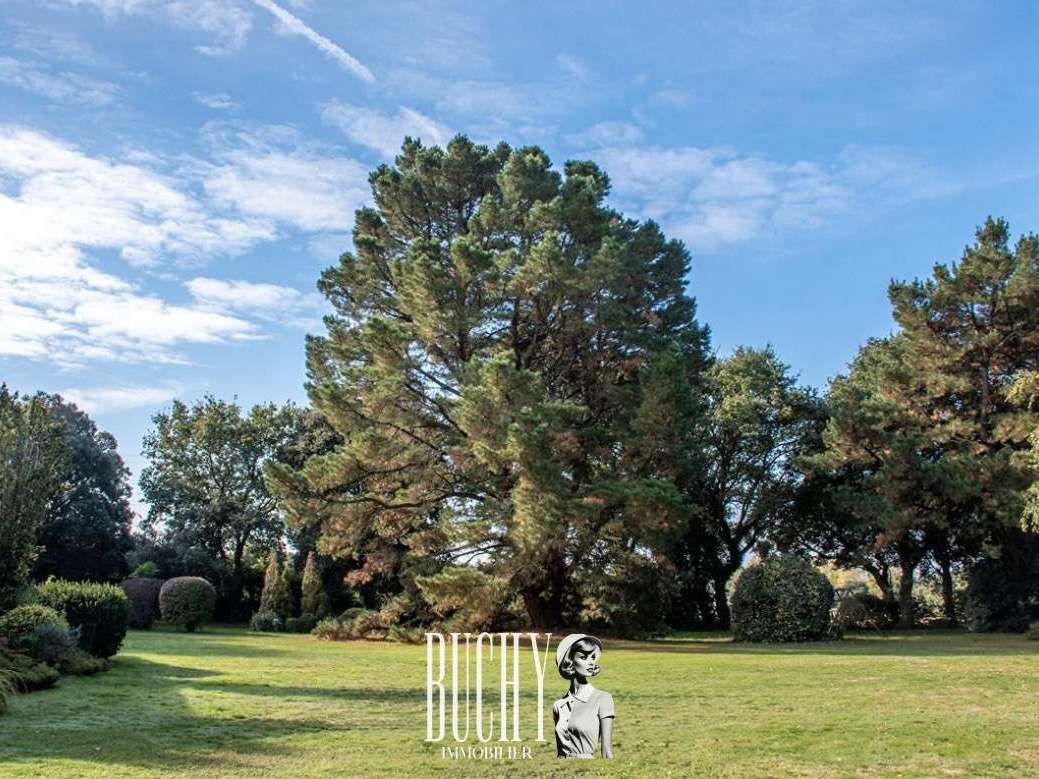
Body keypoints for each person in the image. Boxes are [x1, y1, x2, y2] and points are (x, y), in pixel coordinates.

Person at [552, 633, 615, 759]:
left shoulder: (603, 699)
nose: (590, 662)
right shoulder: (558, 706)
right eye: (583, 657)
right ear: (569, 661)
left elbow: (607, 752)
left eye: (592, 657)